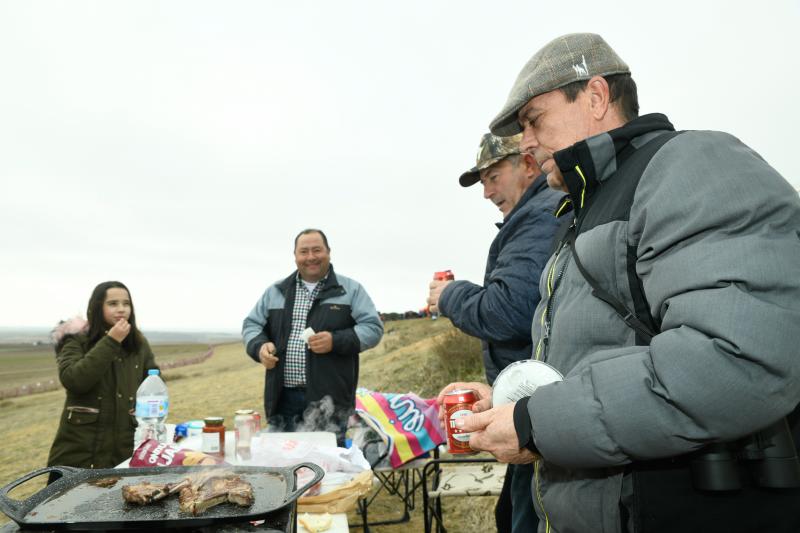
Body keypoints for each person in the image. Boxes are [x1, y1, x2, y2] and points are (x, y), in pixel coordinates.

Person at [439, 33, 800, 533]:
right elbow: (603, 354)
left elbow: (738, 357)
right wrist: (512, 404)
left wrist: (537, 423)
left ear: (594, 97)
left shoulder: (691, 164)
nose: (525, 143)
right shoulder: (581, 209)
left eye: (533, 121)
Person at [427, 132, 561, 533]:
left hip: (537, 414)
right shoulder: (532, 214)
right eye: (482, 181)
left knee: (525, 520)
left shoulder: (539, 215)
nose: (486, 191)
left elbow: (508, 312)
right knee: (512, 515)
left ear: (529, 165)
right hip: (530, 410)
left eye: (494, 176)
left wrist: (450, 295)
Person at [242, 228, 383, 445]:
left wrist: (335, 341)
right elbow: (252, 325)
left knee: (328, 469)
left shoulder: (350, 290)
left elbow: (373, 328)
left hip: (330, 400)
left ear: (328, 252)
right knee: (281, 463)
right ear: (295, 256)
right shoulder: (276, 291)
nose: (310, 257)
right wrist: (260, 347)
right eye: (304, 252)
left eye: (317, 250)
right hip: (283, 399)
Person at [47, 281, 157, 473]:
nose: (121, 309)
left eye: (126, 303)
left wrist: (141, 407)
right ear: (98, 307)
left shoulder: (138, 343)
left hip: (124, 451)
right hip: (80, 452)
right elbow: (74, 380)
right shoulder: (76, 340)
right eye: (113, 304)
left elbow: (154, 381)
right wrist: (112, 341)